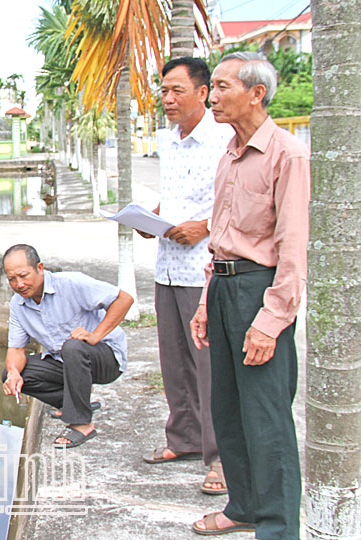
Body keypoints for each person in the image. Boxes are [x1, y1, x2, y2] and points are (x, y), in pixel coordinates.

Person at [188, 52, 309, 539]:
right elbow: (220, 238)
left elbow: (293, 247)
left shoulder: (287, 153)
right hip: (222, 287)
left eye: (221, 87)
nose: (212, 97)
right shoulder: (230, 154)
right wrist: (204, 301)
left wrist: (271, 319)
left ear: (256, 93)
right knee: (229, 409)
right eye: (211, 87)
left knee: (267, 417)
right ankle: (244, 507)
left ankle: (278, 528)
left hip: (260, 292)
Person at [135, 57, 234, 496]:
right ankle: (185, 439)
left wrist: (206, 226)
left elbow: (237, 199)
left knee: (210, 368)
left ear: (203, 91)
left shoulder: (225, 140)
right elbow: (175, 198)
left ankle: (222, 460)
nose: (168, 99)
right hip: (168, 269)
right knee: (174, 362)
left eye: (177, 90)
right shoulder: (169, 142)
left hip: (204, 270)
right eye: (164, 91)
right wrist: (149, 217)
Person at [1, 244, 133, 448]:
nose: (19, 284)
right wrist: (13, 373)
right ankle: (75, 404)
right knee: (15, 374)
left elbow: (124, 299)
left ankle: (82, 424)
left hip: (104, 357)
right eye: (12, 279)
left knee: (72, 347)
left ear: (40, 268)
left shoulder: (71, 283)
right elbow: (16, 350)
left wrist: (95, 335)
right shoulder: (18, 305)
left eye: (24, 275)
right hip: (66, 362)